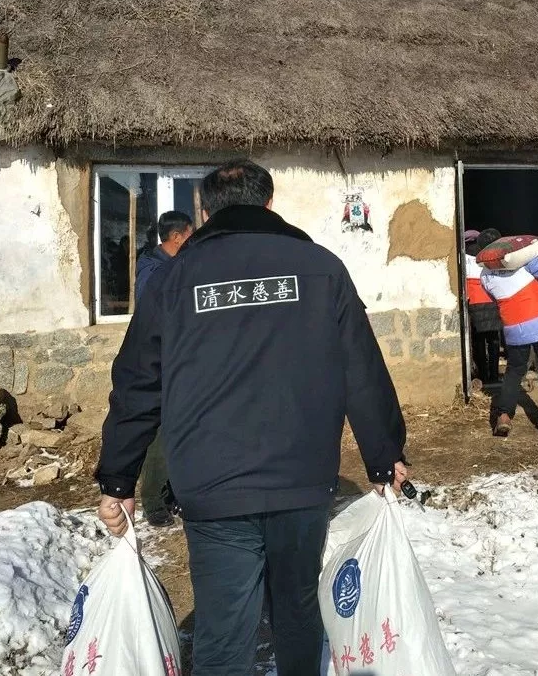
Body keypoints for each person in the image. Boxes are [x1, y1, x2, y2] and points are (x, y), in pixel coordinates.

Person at [95, 159, 409, 676]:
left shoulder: (175, 280)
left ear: (204, 210)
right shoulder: (321, 268)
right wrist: (384, 455)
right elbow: (362, 368)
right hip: (302, 479)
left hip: (213, 485)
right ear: (269, 204)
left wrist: (117, 478)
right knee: (297, 612)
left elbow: (136, 385)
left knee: (223, 632)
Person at [133, 210, 195, 527]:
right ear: (176, 237)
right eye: (190, 234)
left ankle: (171, 493)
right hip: (160, 362)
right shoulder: (153, 272)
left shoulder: (170, 267)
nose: (192, 240)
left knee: (179, 429)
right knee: (159, 433)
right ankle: (154, 501)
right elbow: (153, 319)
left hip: (178, 360)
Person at [477, 228, 538, 438]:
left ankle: (504, 416)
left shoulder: (485, 274)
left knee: (514, 372)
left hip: (513, 327)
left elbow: (493, 295)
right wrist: (533, 253)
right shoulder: (523, 261)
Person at [464, 230, 502, 385]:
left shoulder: (464, 257)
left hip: (474, 303)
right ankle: (494, 375)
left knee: (478, 341)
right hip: (492, 300)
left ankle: (483, 374)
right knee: (493, 340)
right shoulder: (489, 256)